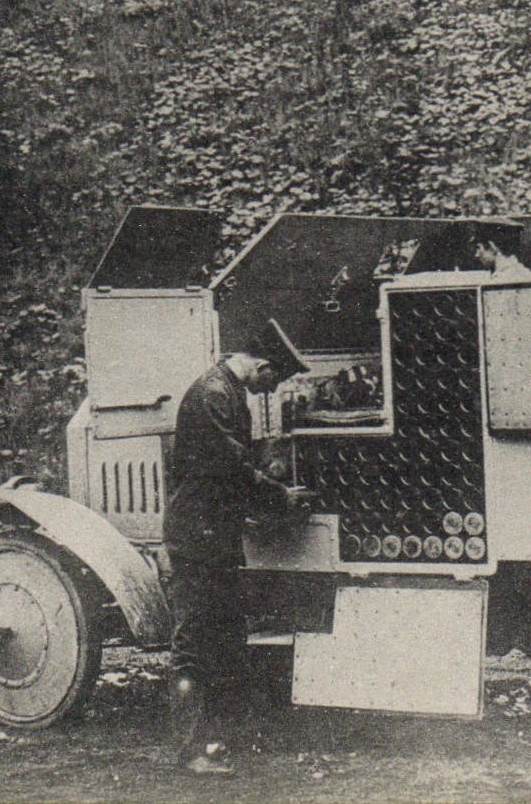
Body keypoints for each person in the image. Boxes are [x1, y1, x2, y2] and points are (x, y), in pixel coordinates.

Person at [164, 319, 312, 775]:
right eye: (273, 381)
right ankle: (188, 752)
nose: (270, 391)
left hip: (216, 534)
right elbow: (229, 466)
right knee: (194, 642)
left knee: (226, 638)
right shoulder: (213, 394)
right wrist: (278, 496)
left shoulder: (226, 391)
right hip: (197, 536)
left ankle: (212, 740)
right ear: (263, 366)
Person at [470, 217, 531, 282]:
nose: (476, 254)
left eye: (478, 248)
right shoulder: (526, 274)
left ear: (492, 247)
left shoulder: (501, 280)